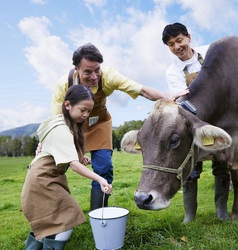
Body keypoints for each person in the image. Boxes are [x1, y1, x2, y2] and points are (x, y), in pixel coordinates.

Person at [48, 43, 186, 211]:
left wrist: (168, 96)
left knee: (104, 167)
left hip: (100, 125)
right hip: (73, 128)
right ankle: (54, 211)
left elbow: (141, 90)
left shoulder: (109, 77)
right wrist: (60, 145)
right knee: (56, 165)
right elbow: (57, 121)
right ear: (76, 69)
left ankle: (98, 213)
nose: (94, 76)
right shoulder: (63, 86)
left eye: (97, 70)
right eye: (88, 72)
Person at [162, 22, 238, 223]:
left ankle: (221, 210)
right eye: (171, 44)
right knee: (190, 169)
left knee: (223, 163)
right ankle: (190, 214)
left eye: (179, 40)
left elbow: (229, 48)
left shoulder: (208, 52)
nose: (176, 47)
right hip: (192, 120)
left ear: (189, 37)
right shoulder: (172, 71)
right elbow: (184, 100)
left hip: (221, 118)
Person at [22, 85, 112, 249]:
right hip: (43, 180)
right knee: (69, 215)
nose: (85, 115)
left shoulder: (63, 122)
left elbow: (56, 149)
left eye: (88, 111)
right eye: (82, 110)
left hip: (44, 177)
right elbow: (74, 166)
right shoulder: (62, 129)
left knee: (48, 220)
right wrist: (100, 179)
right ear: (68, 105)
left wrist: (80, 157)